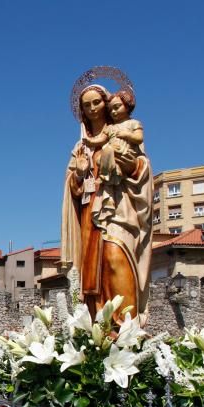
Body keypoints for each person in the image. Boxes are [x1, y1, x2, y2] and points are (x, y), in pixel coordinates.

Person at [60, 83, 153, 321]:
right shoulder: (79, 148)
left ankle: (127, 328)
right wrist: (79, 174)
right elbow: (72, 187)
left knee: (115, 257)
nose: (92, 109)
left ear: (107, 103)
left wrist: (125, 165)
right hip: (90, 214)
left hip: (119, 207)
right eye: (86, 105)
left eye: (97, 102)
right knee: (94, 276)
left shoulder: (123, 133)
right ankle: (99, 327)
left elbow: (141, 168)